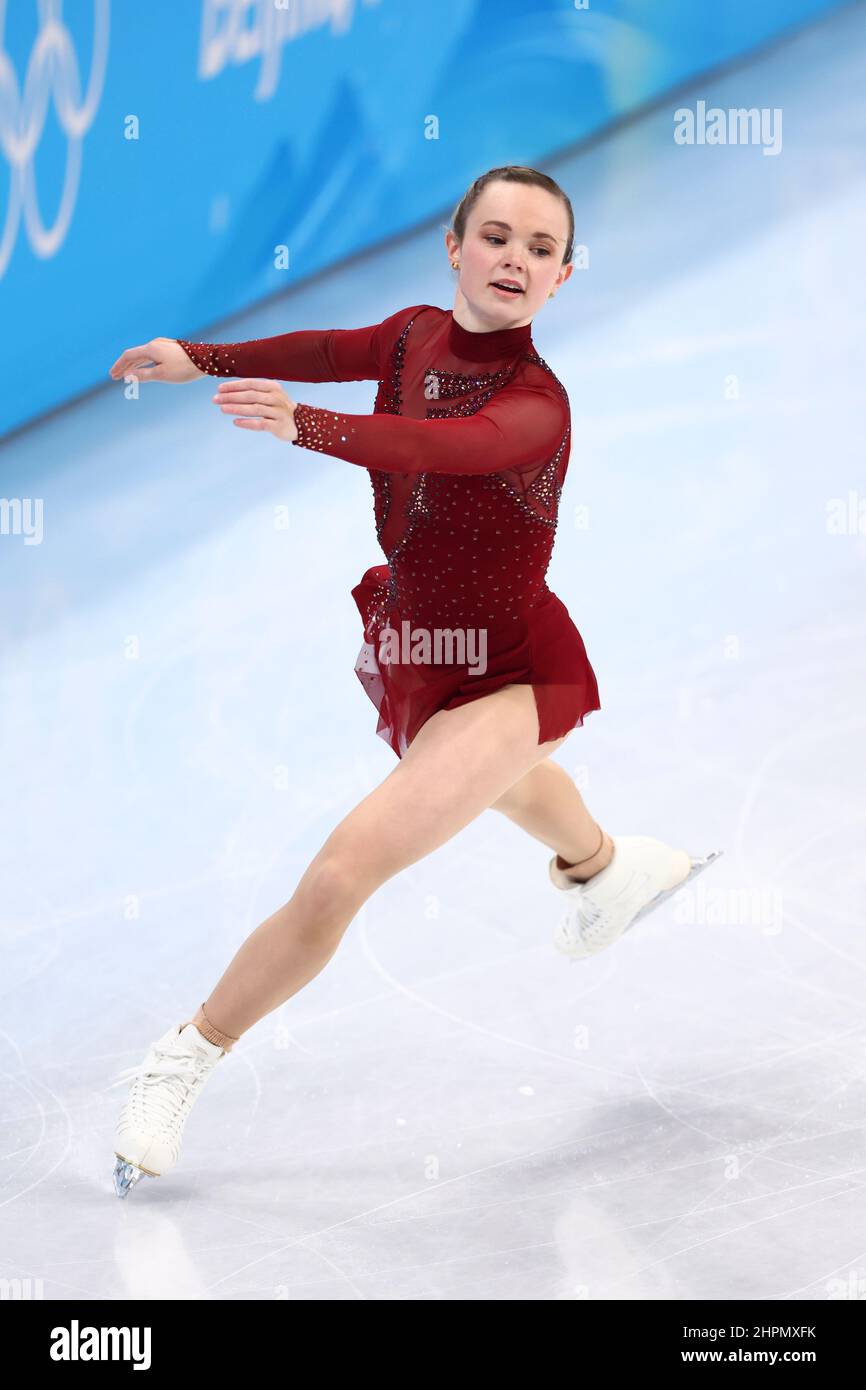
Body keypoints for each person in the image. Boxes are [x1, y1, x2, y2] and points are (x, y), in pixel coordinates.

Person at [106, 166, 721, 1197]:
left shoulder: (534, 407)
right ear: (453, 247)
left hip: (510, 671)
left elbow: (439, 446)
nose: (514, 259)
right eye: (495, 237)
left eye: (538, 248)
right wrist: (194, 356)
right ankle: (605, 869)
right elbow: (326, 350)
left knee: (345, 870)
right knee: (502, 784)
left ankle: (185, 1051)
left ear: (563, 277)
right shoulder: (408, 336)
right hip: (418, 646)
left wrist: (310, 427)